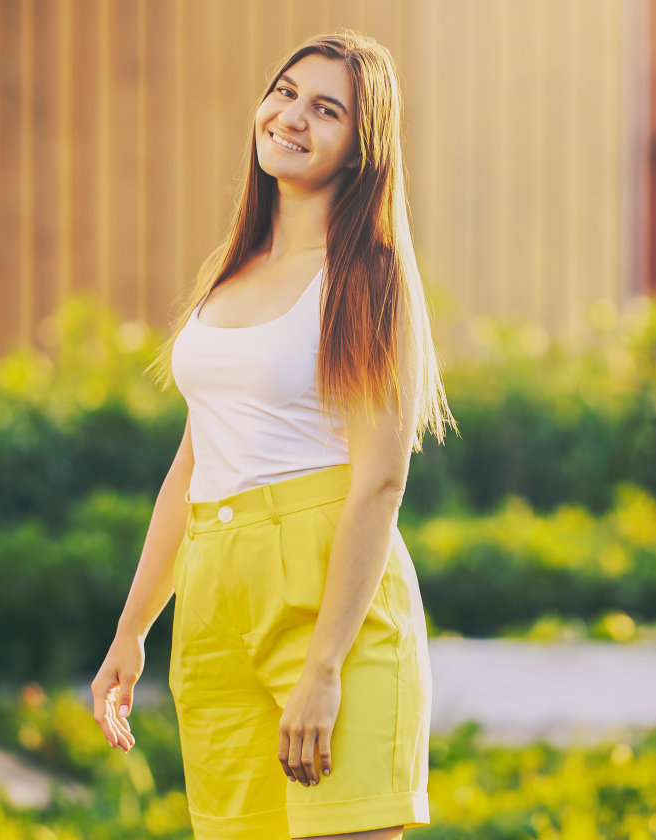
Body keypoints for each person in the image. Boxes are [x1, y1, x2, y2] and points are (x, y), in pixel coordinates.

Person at [91, 30, 455, 840]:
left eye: (325, 110)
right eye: (285, 92)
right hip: (215, 597)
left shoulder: (369, 273)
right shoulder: (234, 265)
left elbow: (380, 482)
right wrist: (131, 629)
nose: (291, 116)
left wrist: (325, 667)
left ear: (361, 148)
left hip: (333, 604)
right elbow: (192, 464)